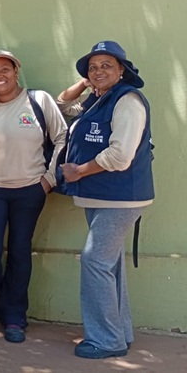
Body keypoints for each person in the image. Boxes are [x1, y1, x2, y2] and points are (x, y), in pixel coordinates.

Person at [0, 50, 67, 343]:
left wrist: (49, 179)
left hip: (30, 189)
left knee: (19, 251)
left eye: (4, 69)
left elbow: (62, 139)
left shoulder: (39, 101)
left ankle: (15, 315)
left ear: (16, 71)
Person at [56, 41, 154, 359]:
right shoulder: (97, 100)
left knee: (95, 261)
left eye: (106, 65)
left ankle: (105, 340)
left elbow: (120, 155)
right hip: (103, 197)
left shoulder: (127, 100)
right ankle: (119, 333)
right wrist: (86, 82)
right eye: (93, 66)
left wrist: (78, 171)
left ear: (122, 70)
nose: (98, 71)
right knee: (109, 264)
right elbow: (61, 105)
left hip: (120, 198)